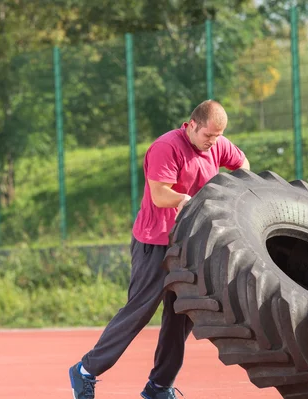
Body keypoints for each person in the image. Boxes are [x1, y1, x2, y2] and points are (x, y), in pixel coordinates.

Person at [69, 99, 250, 399]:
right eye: (208, 135)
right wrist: (183, 201)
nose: (213, 143)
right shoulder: (167, 147)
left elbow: (242, 164)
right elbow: (159, 194)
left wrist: (228, 189)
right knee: (139, 311)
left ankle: (159, 386)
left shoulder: (216, 144)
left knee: (182, 315)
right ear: (192, 125)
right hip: (155, 244)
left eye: (218, 136)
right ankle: (86, 370)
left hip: (190, 246)